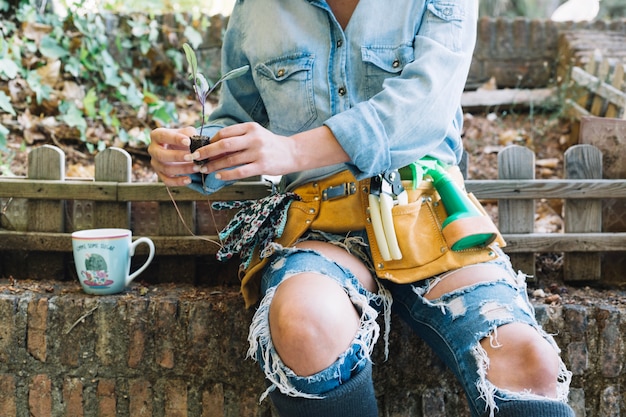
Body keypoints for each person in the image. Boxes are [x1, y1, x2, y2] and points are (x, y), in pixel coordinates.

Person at [148, 0, 575, 416]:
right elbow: (236, 119)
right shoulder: (256, 8)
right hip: (318, 224)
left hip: (430, 218)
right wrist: (196, 156)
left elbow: (423, 110)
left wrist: (291, 150)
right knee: (303, 322)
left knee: (528, 360)